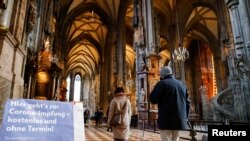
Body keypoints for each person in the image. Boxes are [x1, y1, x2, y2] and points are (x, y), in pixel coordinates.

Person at [149, 66, 190, 141]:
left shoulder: (162, 83)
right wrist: (186, 117)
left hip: (166, 120)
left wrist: (155, 88)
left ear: (162, 75)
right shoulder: (182, 84)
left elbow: (153, 99)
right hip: (179, 120)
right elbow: (187, 103)